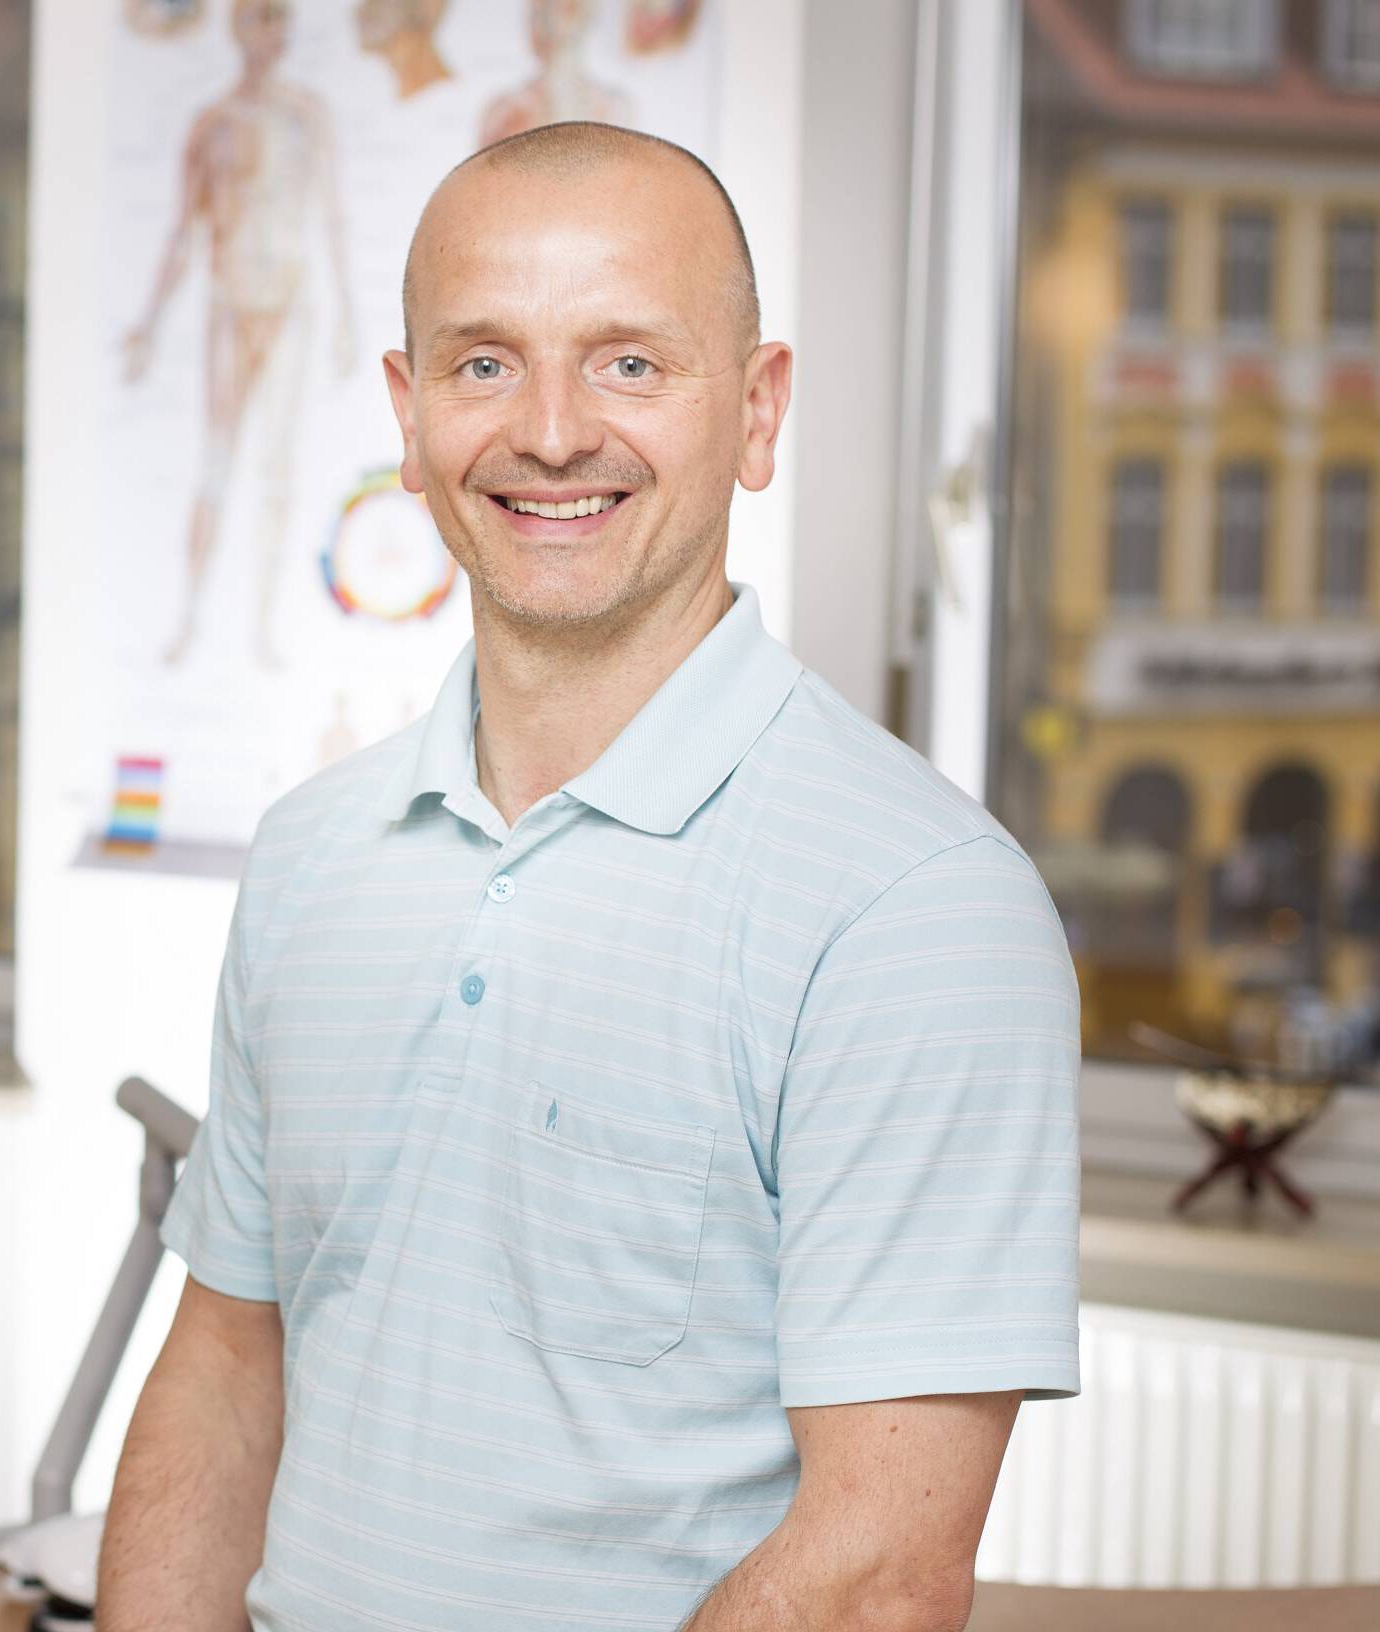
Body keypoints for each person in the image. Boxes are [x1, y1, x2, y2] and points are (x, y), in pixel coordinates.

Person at [97, 122, 1082, 1632]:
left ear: (756, 411)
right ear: (410, 415)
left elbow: (873, 1576)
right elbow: (227, 1375)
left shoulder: (919, 909)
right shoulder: (309, 857)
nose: (551, 433)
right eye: (484, 363)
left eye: (629, 362)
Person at [122, 0, 355, 670]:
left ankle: (263, 627)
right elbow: (184, 231)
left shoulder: (307, 115)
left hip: (290, 305)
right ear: (236, 28)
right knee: (216, 464)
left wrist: (348, 316)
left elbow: (331, 216)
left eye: (278, 19)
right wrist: (148, 325)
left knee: (276, 467)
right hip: (230, 305)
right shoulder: (214, 124)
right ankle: (190, 615)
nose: (269, 34)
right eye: (257, 18)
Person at [478, 0, 631, 146]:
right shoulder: (507, 112)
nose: (539, 26)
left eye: (566, 10)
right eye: (536, 14)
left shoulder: (614, 110)